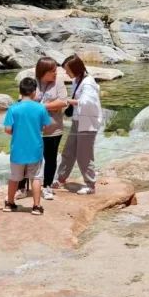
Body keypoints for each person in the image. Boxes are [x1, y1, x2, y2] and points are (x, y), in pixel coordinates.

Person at [54, 54, 102, 194]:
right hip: (77, 120)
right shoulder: (77, 80)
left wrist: (67, 101)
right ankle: (61, 178)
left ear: (75, 68)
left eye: (67, 70)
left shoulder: (88, 83)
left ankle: (90, 185)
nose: (66, 73)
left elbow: (87, 102)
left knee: (84, 155)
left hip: (88, 123)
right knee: (68, 151)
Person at [3, 77, 52, 214]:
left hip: (17, 150)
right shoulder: (40, 108)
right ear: (34, 92)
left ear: (20, 91)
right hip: (35, 149)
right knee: (36, 177)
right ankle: (36, 207)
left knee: (14, 177)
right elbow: (45, 126)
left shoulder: (13, 109)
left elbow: (7, 129)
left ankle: (9, 203)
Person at [35, 57, 69, 200]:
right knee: (31, 159)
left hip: (53, 129)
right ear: (43, 71)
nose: (56, 73)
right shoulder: (33, 82)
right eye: (53, 71)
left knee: (50, 159)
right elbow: (22, 99)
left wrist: (42, 106)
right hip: (34, 129)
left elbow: (63, 102)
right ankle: (23, 188)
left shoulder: (58, 83)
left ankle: (47, 186)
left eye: (56, 70)